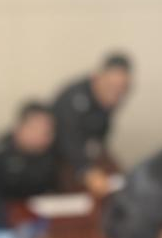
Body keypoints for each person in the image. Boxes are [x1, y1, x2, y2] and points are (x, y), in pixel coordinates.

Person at [50, 51, 133, 193]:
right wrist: (87, 171)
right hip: (60, 156)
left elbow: (101, 135)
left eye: (122, 88)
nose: (116, 93)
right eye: (111, 86)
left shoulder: (111, 99)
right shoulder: (73, 99)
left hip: (90, 151)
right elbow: (68, 140)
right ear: (97, 78)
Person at [0, 101, 60, 200]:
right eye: (36, 129)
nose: (43, 137)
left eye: (47, 132)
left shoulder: (52, 151)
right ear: (20, 127)